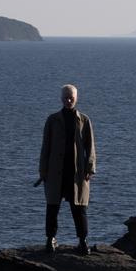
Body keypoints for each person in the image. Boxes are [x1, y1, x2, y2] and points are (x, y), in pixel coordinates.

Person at [36, 84, 96, 253]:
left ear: (77, 98)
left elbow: (90, 146)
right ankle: (50, 239)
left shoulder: (84, 120)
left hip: (77, 172)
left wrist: (90, 168)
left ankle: (83, 242)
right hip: (55, 171)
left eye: (72, 97)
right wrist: (43, 171)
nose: (69, 100)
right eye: (66, 98)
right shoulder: (52, 120)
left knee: (79, 208)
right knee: (52, 206)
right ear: (61, 99)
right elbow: (45, 147)